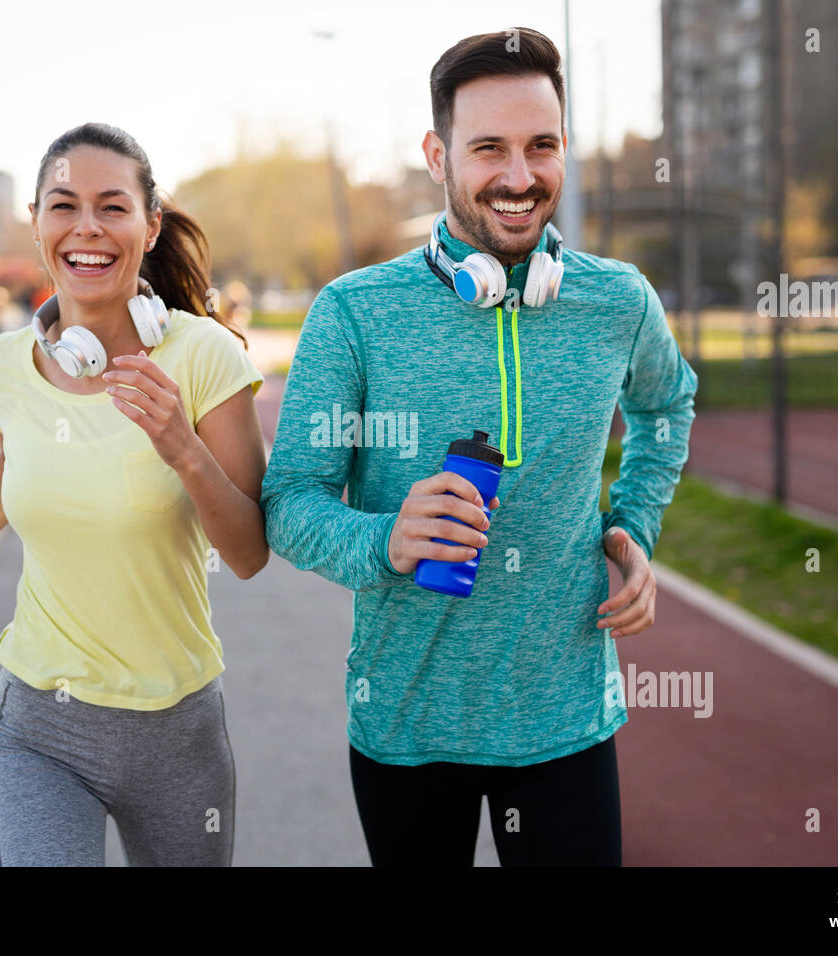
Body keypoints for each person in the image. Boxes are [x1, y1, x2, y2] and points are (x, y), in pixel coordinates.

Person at [260, 28, 698, 866]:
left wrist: (632, 528)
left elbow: (667, 403)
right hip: (405, 725)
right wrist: (381, 539)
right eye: (488, 148)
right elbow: (289, 502)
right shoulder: (355, 313)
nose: (519, 177)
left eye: (542, 147)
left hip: (566, 721)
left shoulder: (618, 302)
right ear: (437, 154)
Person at [0, 122, 268, 866]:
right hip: (39, 728)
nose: (87, 228)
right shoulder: (5, 366)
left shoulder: (204, 357)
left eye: (112, 206)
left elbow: (248, 553)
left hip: (179, 733)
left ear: (150, 225)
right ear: (38, 225)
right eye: (64, 205)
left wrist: (183, 448)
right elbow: (15, 462)